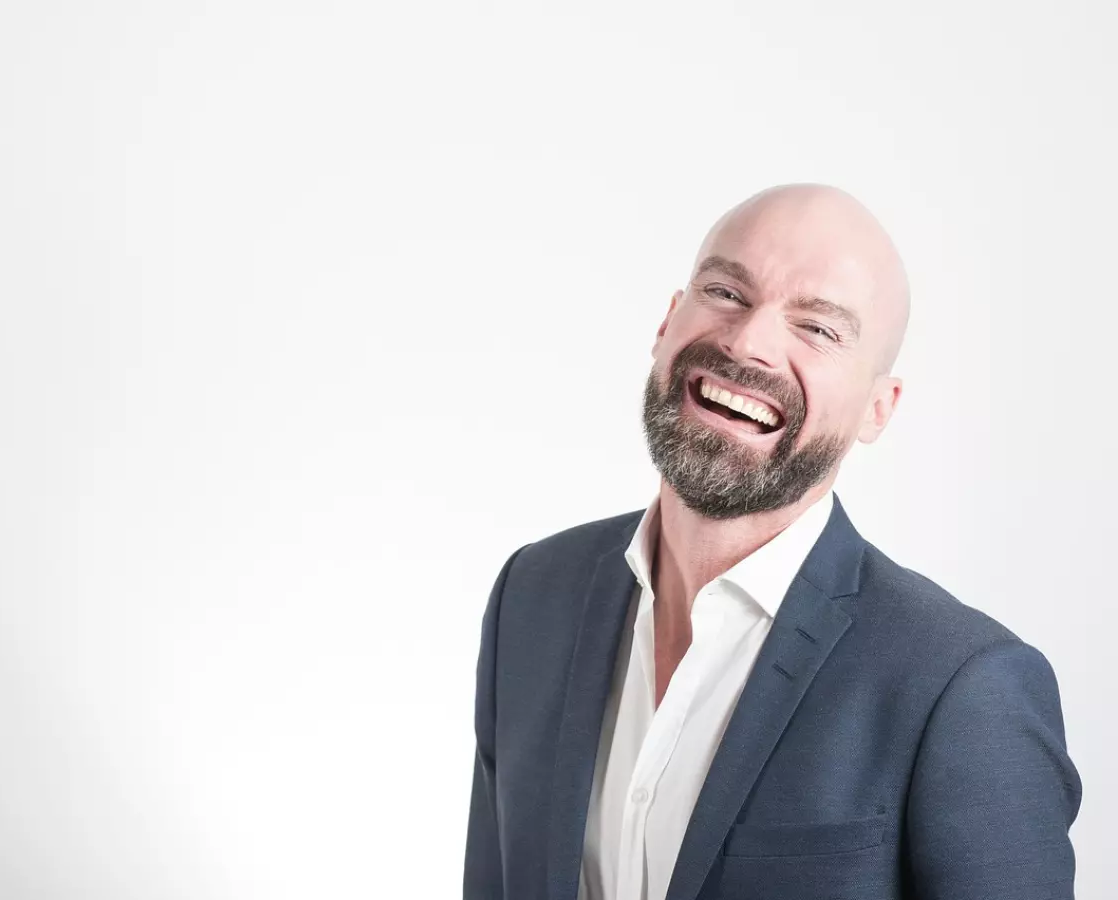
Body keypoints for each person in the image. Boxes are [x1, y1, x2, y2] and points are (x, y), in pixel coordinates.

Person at [463, 184, 1082, 900]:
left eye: (818, 329)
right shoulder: (534, 597)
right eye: (726, 290)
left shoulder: (963, 688)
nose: (748, 341)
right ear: (668, 321)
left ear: (877, 410)